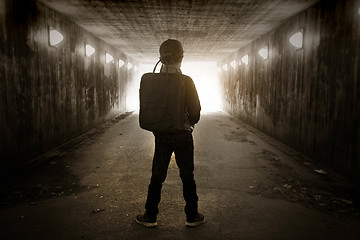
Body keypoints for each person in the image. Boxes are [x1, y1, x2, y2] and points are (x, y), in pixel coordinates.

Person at [136, 39, 204, 228]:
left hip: (161, 136)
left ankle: (150, 216)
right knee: (187, 176)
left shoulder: (150, 80)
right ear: (181, 58)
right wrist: (188, 120)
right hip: (183, 136)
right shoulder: (186, 81)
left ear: (160, 58)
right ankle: (192, 216)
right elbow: (196, 113)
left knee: (157, 176)